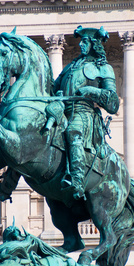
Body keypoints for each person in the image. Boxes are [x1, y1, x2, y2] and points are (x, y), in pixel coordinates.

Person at [54, 26, 119, 200]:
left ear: (94, 44)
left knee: (73, 132)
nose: (81, 45)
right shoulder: (70, 68)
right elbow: (53, 87)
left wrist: (92, 91)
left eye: (85, 41)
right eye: (81, 41)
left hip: (85, 113)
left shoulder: (103, 68)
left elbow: (113, 103)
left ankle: (77, 181)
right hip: (62, 110)